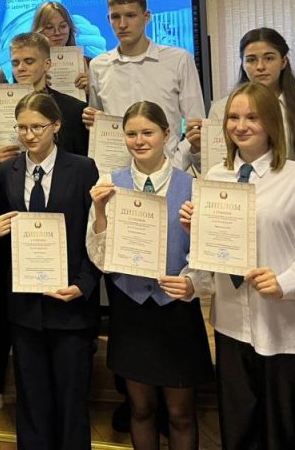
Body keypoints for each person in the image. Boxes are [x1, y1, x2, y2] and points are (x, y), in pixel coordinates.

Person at [180, 82, 295, 450]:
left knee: (285, 436)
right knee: (239, 433)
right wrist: (196, 235)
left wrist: (284, 282)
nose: (240, 125)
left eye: (252, 117)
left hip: (285, 327)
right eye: (233, 117)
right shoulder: (214, 178)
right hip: (232, 326)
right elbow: (209, 263)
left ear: (272, 123)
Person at [86, 101, 213, 450]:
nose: (139, 140)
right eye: (131, 134)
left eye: (148, 132)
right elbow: (100, 258)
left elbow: (207, 253)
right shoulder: (109, 184)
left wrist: (192, 282)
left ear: (167, 134)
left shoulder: (193, 186)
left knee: (180, 413)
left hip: (176, 310)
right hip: (132, 311)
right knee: (140, 410)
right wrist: (100, 211)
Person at [0, 92, 100, 449]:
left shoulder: (83, 169)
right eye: (22, 127)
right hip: (24, 306)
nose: (29, 135)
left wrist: (84, 284)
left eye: (37, 127)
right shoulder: (5, 171)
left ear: (56, 126)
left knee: (71, 401)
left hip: (70, 302)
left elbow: (95, 232)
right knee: (31, 400)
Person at [185, 27, 295, 193]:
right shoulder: (221, 109)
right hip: (233, 202)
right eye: (251, 60)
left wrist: (287, 200)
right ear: (242, 64)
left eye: (269, 58)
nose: (260, 66)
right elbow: (215, 170)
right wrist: (198, 149)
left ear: (283, 62)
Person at [82, 0, 205, 158]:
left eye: (130, 15)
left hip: (167, 166)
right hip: (116, 168)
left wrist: (177, 163)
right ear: (108, 19)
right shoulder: (98, 65)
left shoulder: (179, 60)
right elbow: (97, 126)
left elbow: (196, 125)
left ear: (146, 17)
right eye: (115, 17)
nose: (122, 24)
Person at [0, 32, 89, 161]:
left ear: (47, 64)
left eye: (29, 61)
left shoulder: (74, 109)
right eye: (15, 63)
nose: (21, 68)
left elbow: (82, 162)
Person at [32, 1, 92, 94]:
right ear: (39, 32)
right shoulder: (27, 67)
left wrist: (90, 91)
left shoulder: (90, 64)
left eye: (63, 26)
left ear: (70, 28)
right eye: (49, 27)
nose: (57, 32)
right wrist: (34, 86)